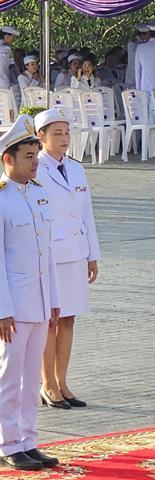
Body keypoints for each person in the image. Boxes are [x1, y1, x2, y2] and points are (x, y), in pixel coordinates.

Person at [0, 114, 60, 471]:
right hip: (13, 304)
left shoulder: (39, 194)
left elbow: (47, 254)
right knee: (9, 376)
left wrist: (53, 300)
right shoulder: (2, 198)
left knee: (32, 376)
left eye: (37, 156)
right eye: (28, 157)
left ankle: (28, 440)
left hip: (38, 301)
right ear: (8, 158)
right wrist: (2, 310)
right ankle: (7, 442)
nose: (36, 162)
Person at [34, 108, 100, 410]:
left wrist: (92, 254)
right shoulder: (35, 169)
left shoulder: (75, 168)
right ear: (41, 137)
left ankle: (62, 381)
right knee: (50, 320)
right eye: (56, 133)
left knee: (69, 318)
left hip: (75, 251)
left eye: (66, 133)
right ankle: (47, 384)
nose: (63, 138)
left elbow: (86, 214)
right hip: (49, 256)